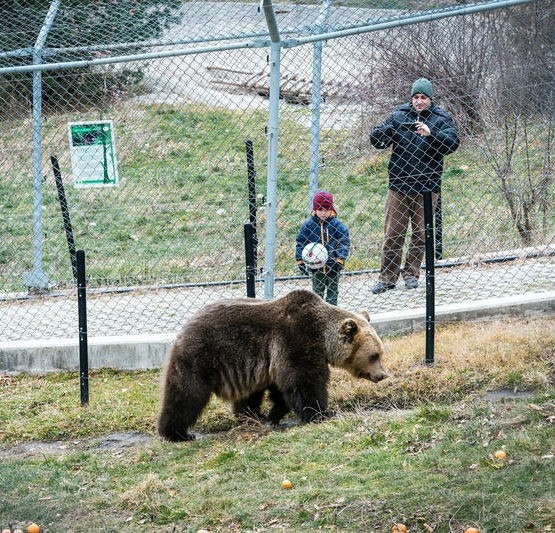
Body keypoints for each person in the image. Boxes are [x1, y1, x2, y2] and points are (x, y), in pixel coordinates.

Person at [370, 78, 460, 294]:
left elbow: (453, 143)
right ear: (411, 98)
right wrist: (386, 132)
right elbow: (376, 139)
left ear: (430, 99)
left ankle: (411, 273)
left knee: (421, 234)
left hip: (427, 187)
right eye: (416, 97)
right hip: (399, 185)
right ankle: (387, 277)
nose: (419, 102)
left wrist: (431, 134)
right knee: (393, 234)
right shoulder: (399, 115)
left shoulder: (441, 118)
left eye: (423, 97)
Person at [295, 191, 350, 306]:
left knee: (333, 292)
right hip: (316, 267)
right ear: (315, 209)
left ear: (331, 209)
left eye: (326, 210)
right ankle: (318, 313)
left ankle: (332, 312)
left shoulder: (336, 225)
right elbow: (301, 242)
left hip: (333, 265)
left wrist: (340, 259)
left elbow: (344, 241)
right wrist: (300, 260)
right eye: (320, 210)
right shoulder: (308, 225)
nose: (323, 213)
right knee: (317, 293)